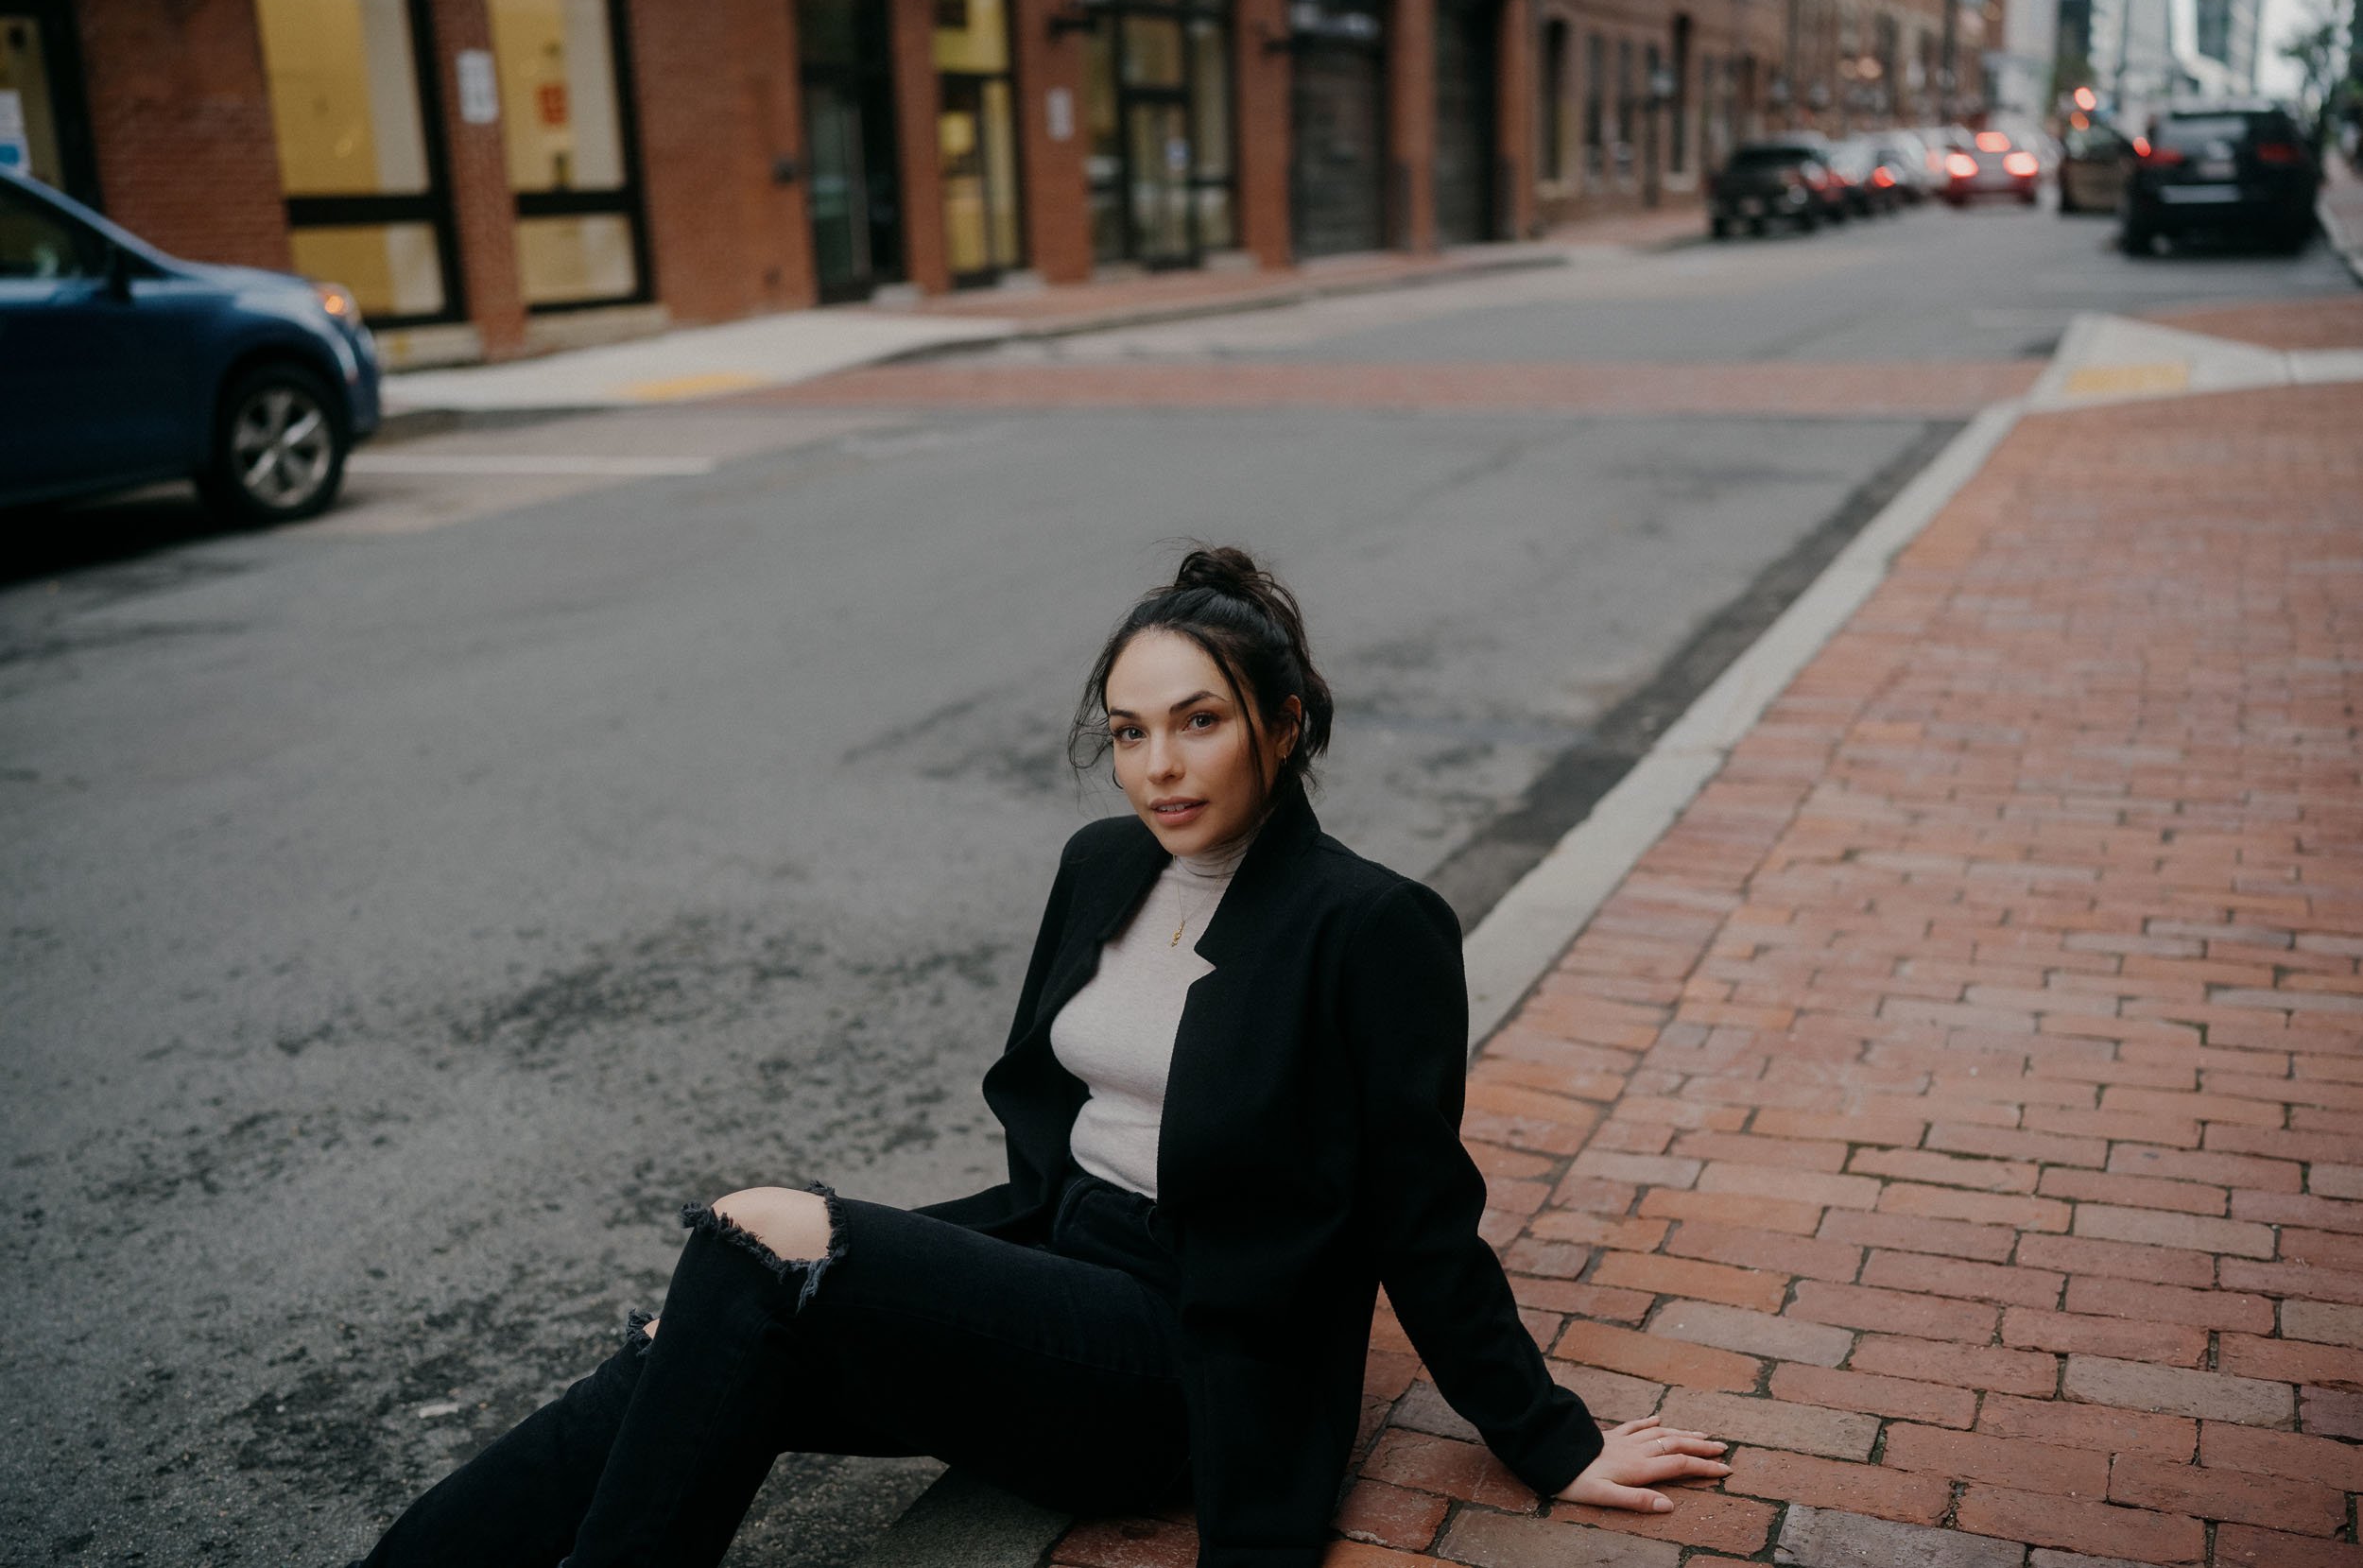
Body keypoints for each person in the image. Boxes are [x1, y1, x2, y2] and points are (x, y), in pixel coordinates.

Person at [350, 545, 1729, 1568]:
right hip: (1056, 1287)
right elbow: (1048, 1147)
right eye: (1130, 732)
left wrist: (1550, 1438)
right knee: (687, 1342)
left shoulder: (1368, 927)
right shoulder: (1102, 867)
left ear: (1286, 724)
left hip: (1186, 1361)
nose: (1158, 766)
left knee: (758, 1231)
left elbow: (1421, 1221)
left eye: (1199, 721)